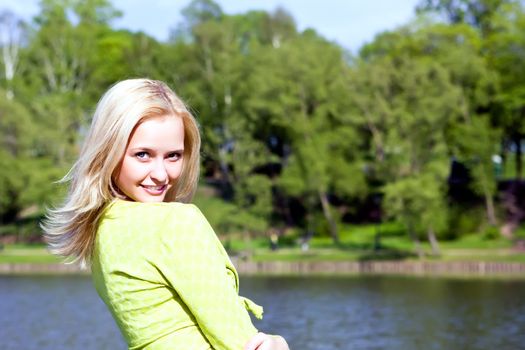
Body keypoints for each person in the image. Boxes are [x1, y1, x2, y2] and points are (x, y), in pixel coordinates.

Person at [42, 78, 289, 350]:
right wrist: (278, 344)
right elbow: (242, 342)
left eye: (173, 156)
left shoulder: (103, 229)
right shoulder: (174, 223)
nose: (161, 174)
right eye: (143, 155)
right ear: (108, 152)